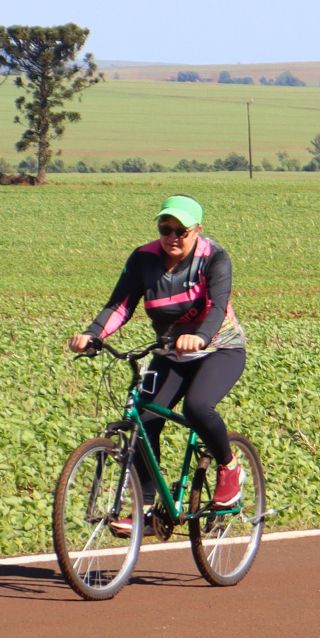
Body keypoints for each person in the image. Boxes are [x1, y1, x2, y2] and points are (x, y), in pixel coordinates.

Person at [69, 196, 248, 526]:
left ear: (197, 231)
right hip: (170, 354)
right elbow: (121, 305)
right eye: (166, 229)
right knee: (145, 419)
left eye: (181, 230)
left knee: (197, 407)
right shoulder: (143, 259)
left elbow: (217, 307)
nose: (173, 237)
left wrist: (201, 337)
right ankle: (147, 509)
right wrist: (93, 334)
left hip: (220, 350)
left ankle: (228, 466)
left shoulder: (214, 258)